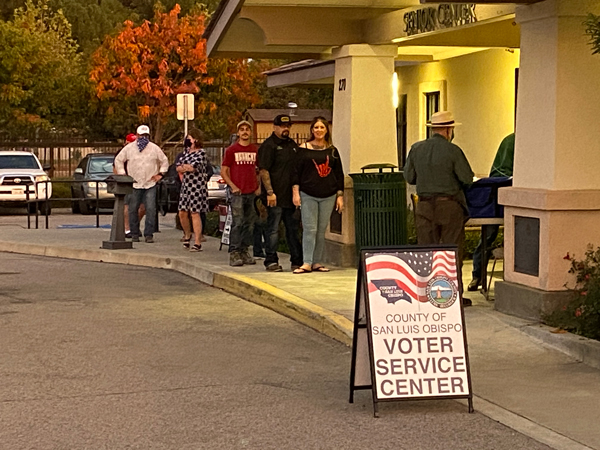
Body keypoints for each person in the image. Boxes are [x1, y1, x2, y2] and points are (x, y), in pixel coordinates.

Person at [404, 111, 474, 306]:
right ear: (448, 129)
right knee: (452, 251)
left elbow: (409, 177)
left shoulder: (416, 149)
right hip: (449, 205)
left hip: (424, 206)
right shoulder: (453, 151)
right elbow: (467, 178)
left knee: (427, 252)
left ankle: (426, 295)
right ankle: (453, 296)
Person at [291, 117, 344, 274]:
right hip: (308, 194)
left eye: (322, 127)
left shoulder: (332, 151)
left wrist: (339, 195)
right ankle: (306, 262)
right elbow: (295, 173)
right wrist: (296, 192)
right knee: (309, 229)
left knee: (321, 230)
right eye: (316, 127)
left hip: (328, 195)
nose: (319, 130)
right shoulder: (303, 149)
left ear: (326, 130)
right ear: (312, 130)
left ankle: (317, 261)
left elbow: (339, 174)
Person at [468, 132, 515, 291]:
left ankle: (477, 276)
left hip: (500, 194)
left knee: (488, 237)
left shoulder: (510, 139)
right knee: (489, 236)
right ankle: (478, 275)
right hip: (501, 193)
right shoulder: (513, 140)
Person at [257, 114, 303, 272]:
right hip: (274, 197)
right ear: (274, 127)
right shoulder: (268, 145)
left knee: (293, 231)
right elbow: (263, 170)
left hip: (291, 197)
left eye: (288, 126)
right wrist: (270, 192)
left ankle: (297, 260)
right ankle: (271, 261)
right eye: (282, 126)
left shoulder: (292, 145)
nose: (285, 129)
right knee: (273, 230)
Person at [114, 125, 168, 243]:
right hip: (134, 183)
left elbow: (164, 161)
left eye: (145, 136)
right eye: (141, 136)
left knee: (150, 209)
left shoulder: (154, 148)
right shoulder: (129, 148)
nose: (143, 138)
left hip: (150, 183)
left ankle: (148, 234)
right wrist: (123, 175)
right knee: (132, 209)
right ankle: (134, 233)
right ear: (137, 135)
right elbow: (118, 160)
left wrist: (160, 174)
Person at [221, 120, 260, 266]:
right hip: (237, 192)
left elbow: (259, 170)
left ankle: (244, 251)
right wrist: (232, 186)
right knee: (237, 222)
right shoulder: (232, 150)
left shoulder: (254, 150)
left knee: (249, 223)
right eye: (242, 129)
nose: (244, 132)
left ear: (250, 132)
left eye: (247, 129)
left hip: (251, 191)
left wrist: (258, 186)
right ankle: (234, 252)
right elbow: (224, 171)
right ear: (238, 132)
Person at [177, 128, 209, 252]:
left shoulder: (201, 153)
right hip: (186, 185)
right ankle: (187, 234)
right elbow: (178, 167)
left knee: (195, 213)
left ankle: (197, 242)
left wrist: (185, 167)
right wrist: (185, 167)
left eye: (189, 138)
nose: (187, 140)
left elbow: (193, 167)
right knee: (182, 212)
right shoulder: (186, 152)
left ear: (195, 139)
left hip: (197, 186)